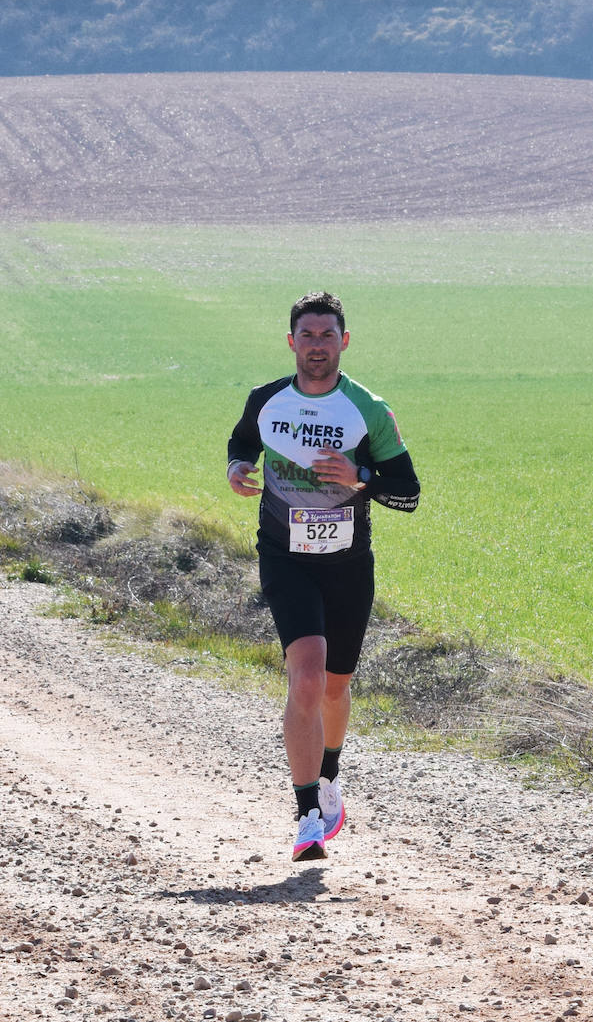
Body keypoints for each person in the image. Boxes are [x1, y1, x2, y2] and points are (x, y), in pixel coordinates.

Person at [226, 291, 420, 863]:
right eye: (306, 336)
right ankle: (307, 814)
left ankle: (330, 773)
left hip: (347, 566)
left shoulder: (369, 409)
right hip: (285, 558)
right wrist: (237, 466)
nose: (316, 346)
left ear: (344, 341)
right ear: (291, 342)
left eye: (326, 336)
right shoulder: (266, 400)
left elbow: (408, 495)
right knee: (306, 677)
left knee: (337, 684)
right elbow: (242, 441)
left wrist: (360, 477)